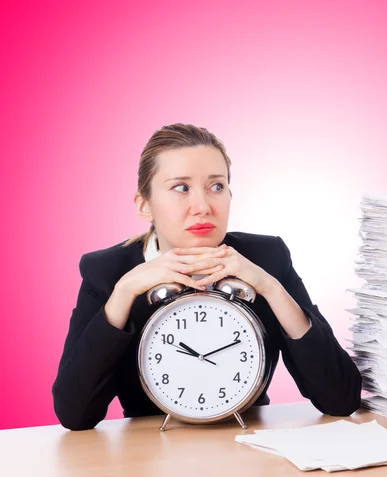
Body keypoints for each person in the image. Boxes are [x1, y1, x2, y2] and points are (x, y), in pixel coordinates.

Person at [52, 123, 363, 430]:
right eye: (181, 188)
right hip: (152, 452)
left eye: (216, 186)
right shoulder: (108, 272)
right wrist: (123, 293)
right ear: (144, 205)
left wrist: (270, 287)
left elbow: (340, 398)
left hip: (247, 444)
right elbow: (75, 413)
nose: (202, 207)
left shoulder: (267, 258)